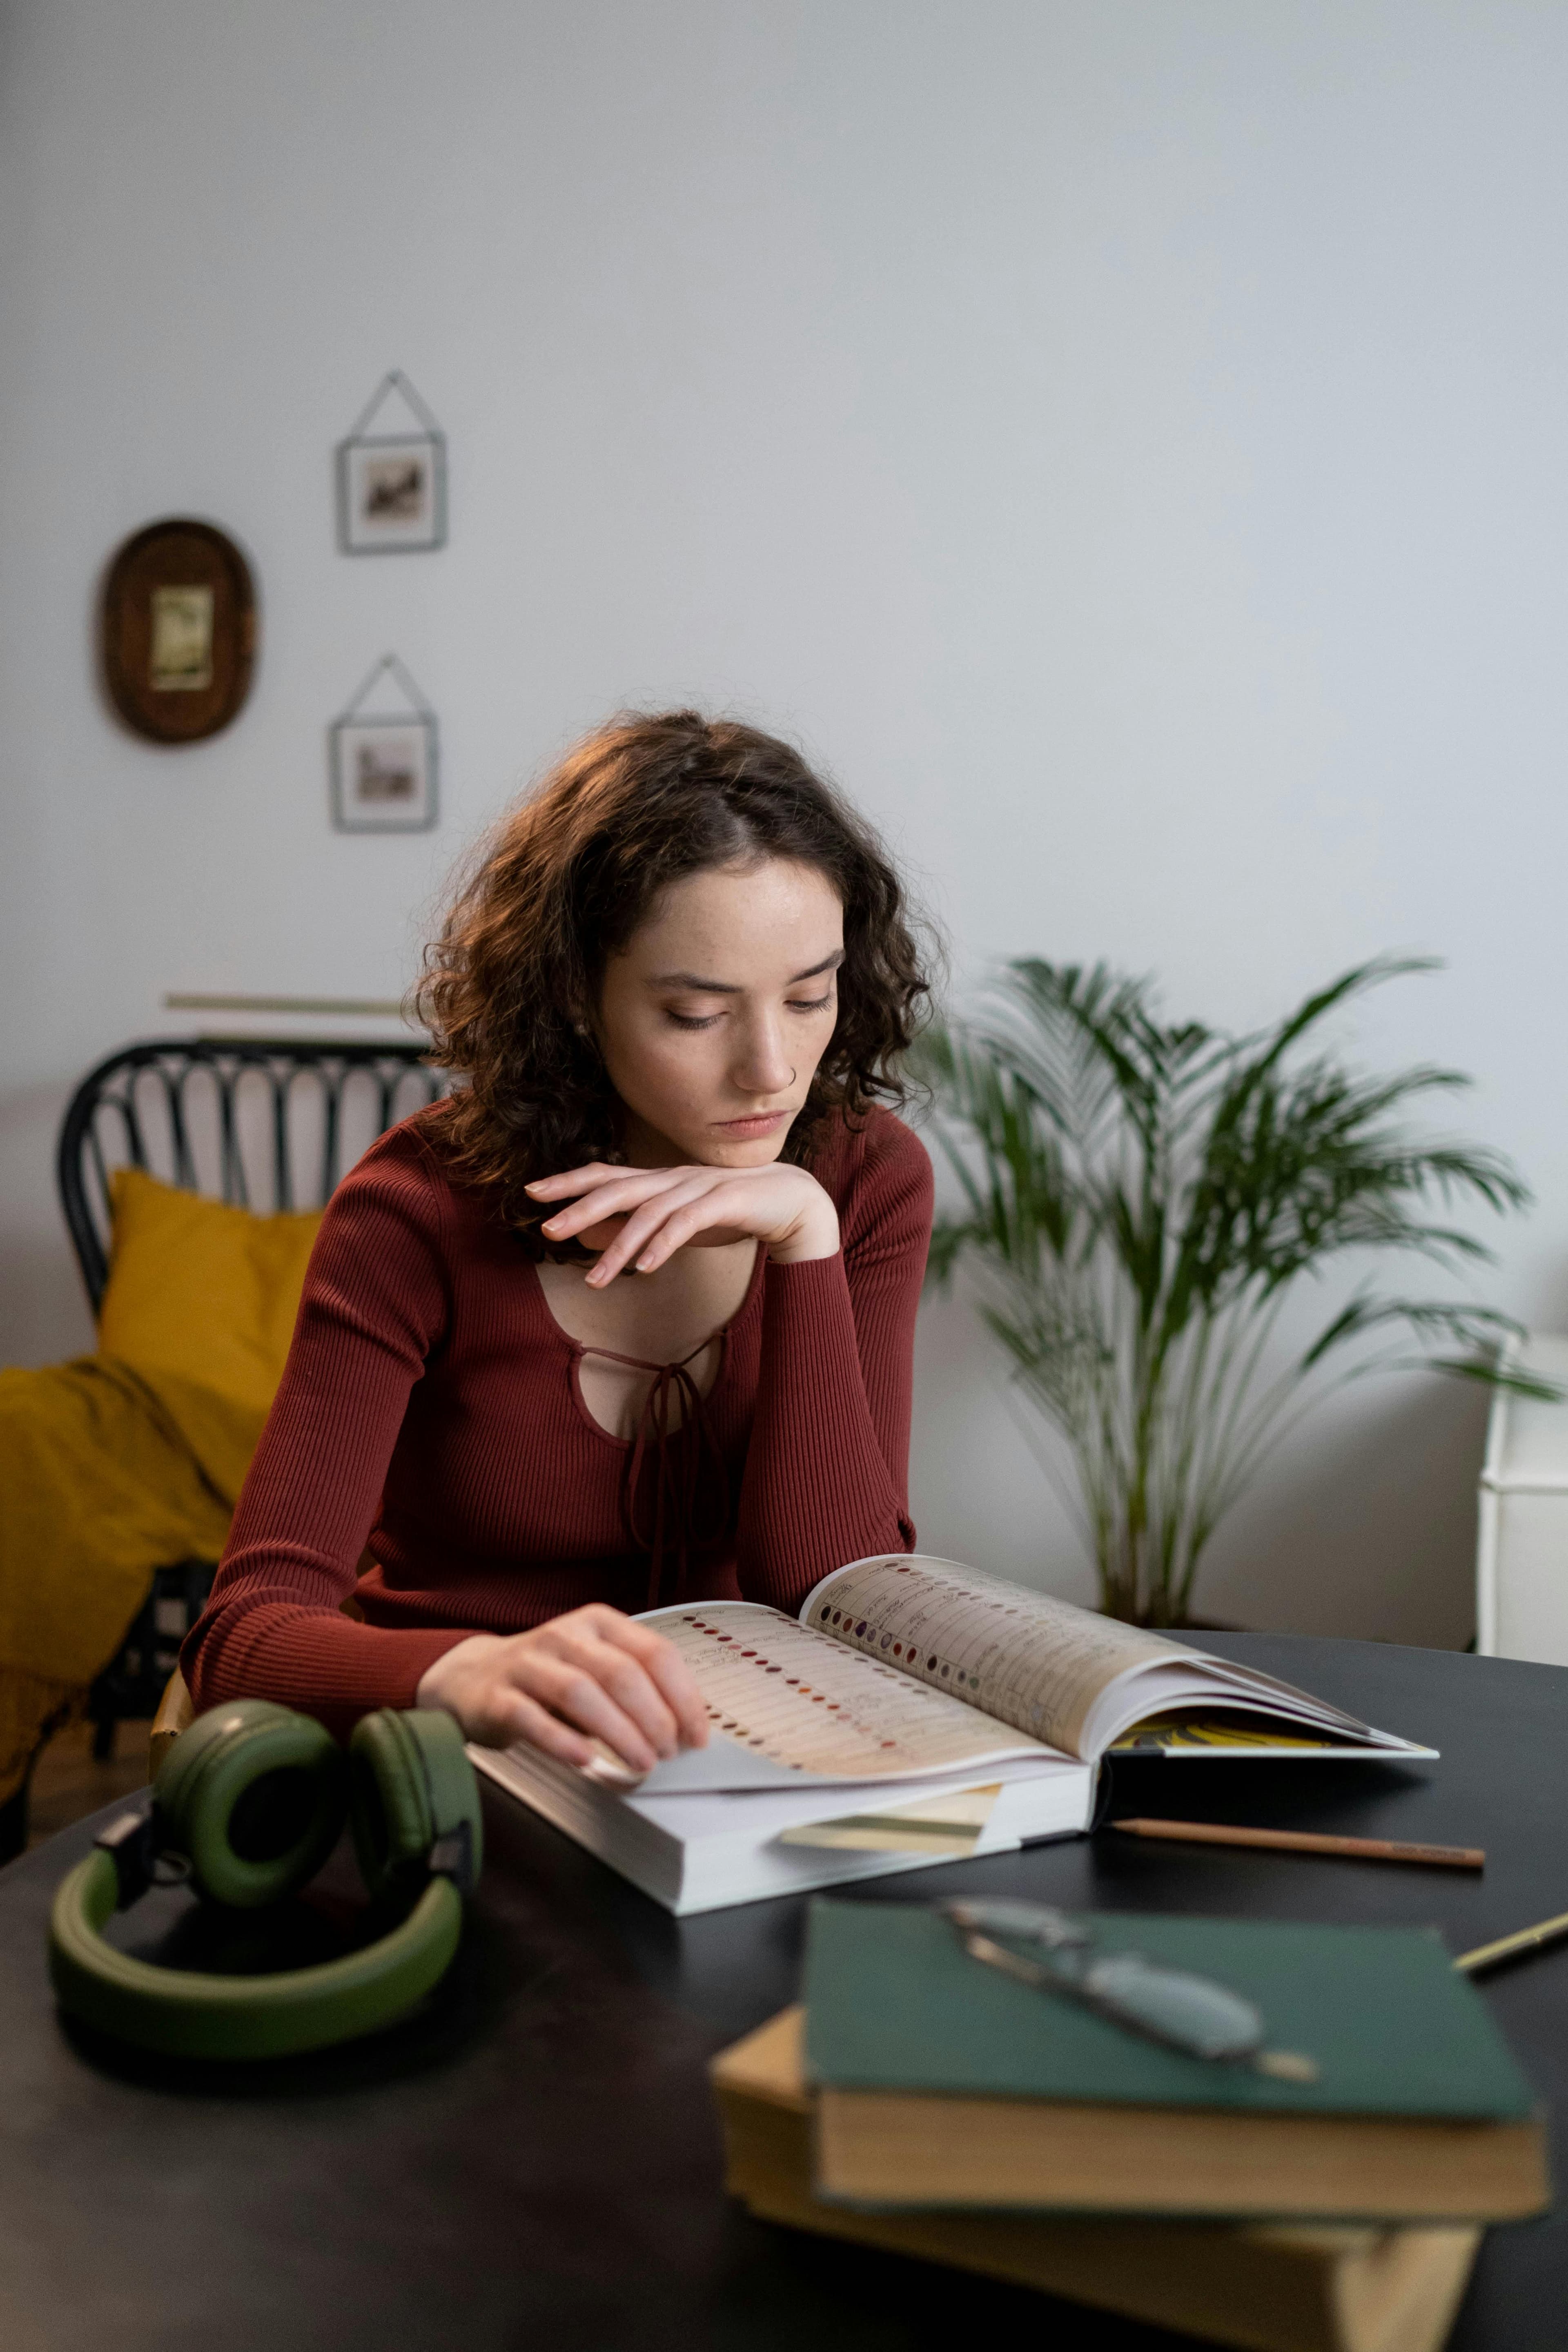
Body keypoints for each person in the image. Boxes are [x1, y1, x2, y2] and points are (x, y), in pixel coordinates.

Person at [181, 710, 935, 1775]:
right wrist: (461, 1679)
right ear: (578, 996)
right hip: (450, 1772)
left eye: (810, 996)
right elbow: (243, 1637)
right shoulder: (416, 1212)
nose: (772, 1067)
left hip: (732, 1781)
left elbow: (834, 1595)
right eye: (694, 1013)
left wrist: (802, 1238)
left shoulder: (866, 1182)